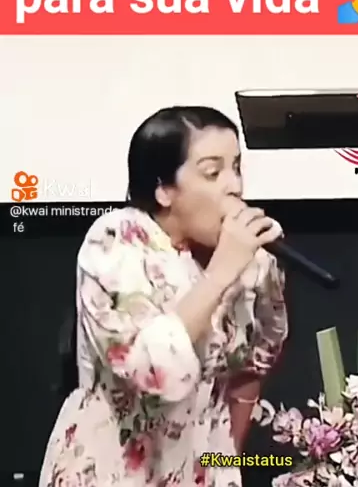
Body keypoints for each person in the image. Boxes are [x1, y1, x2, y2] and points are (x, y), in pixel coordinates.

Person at [39, 106, 289, 487]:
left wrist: (224, 460)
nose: (235, 186)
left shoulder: (250, 263)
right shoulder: (117, 240)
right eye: (213, 172)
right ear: (164, 189)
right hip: (113, 473)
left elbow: (254, 363)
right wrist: (221, 272)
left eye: (236, 168)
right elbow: (154, 371)